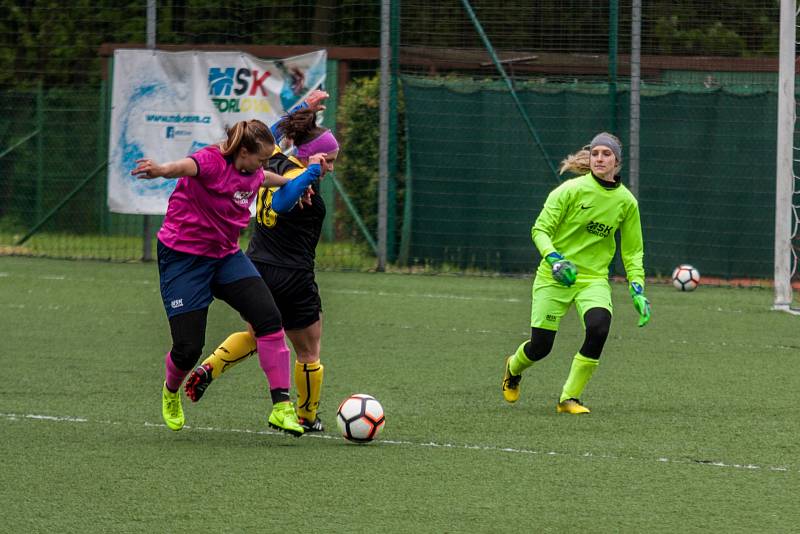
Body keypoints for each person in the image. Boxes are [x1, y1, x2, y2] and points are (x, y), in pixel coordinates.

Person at [132, 119, 323, 436]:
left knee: (269, 318)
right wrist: (160, 169)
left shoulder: (254, 171)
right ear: (243, 151)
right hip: (184, 260)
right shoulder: (210, 161)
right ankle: (170, 391)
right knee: (188, 349)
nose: (263, 165)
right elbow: (184, 167)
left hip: (224, 256)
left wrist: (300, 183)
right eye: (260, 159)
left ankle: (281, 407)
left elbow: (271, 179)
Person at [183, 90, 340, 433]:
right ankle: (307, 417)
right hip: (293, 275)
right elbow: (283, 203)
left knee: (258, 334)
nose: (331, 166)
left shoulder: (271, 159)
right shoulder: (304, 186)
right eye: (329, 160)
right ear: (314, 158)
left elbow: (265, 132)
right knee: (309, 350)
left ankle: (209, 368)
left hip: (256, 266)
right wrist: (311, 175)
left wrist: (300, 109)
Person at [501, 132, 651, 414]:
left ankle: (569, 398)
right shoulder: (569, 191)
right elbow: (540, 230)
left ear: (617, 161)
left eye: (606, 154)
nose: (600, 159)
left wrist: (637, 288)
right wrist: (555, 260)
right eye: (595, 154)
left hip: (592, 279)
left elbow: (632, 252)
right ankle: (513, 366)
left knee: (599, 327)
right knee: (541, 347)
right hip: (553, 275)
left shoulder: (626, 202)